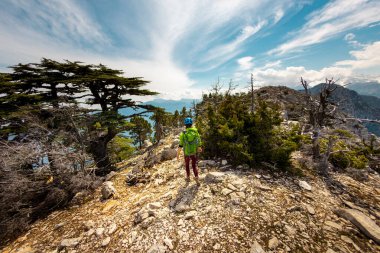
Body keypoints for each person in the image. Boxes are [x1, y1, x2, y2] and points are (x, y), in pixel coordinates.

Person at [177, 117, 202, 185]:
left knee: (187, 165)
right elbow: (198, 140)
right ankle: (196, 177)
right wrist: (199, 147)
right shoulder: (195, 131)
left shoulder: (183, 134)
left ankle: (188, 177)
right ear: (192, 124)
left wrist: (177, 155)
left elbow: (180, 145)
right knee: (194, 165)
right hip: (193, 152)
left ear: (185, 125)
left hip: (186, 153)